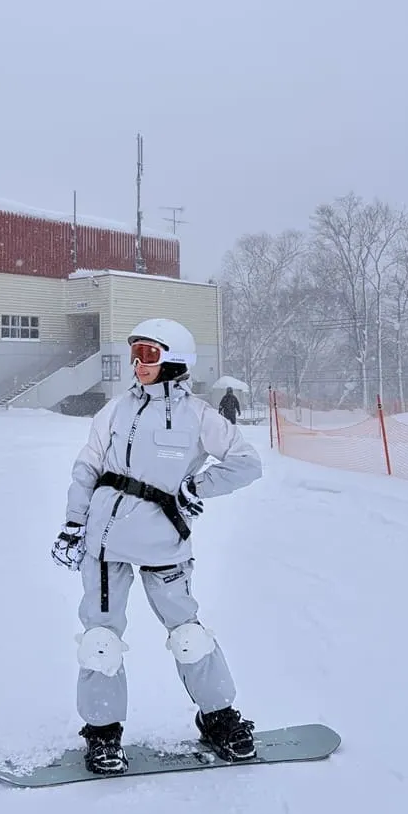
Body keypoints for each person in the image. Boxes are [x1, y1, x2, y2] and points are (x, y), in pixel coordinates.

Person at [51, 318, 262, 776]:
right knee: (101, 640)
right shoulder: (115, 410)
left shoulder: (199, 415)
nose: (138, 364)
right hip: (105, 545)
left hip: (165, 545)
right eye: (135, 354)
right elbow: (87, 467)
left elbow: (247, 464)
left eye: (148, 354)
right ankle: (104, 733)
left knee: (188, 635)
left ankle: (219, 718)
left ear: (174, 359)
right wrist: (73, 522)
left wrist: (196, 488)